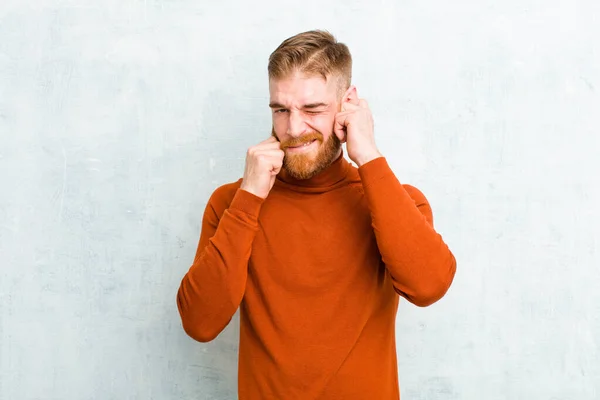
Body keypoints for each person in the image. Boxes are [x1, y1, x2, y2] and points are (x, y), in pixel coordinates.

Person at [177, 30, 457, 399]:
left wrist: (368, 155)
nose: (293, 129)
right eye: (281, 110)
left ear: (347, 105)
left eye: (313, 110)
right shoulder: (233, 203)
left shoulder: (394, 200)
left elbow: (429, 286)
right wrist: (249, 197)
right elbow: (200, 323)